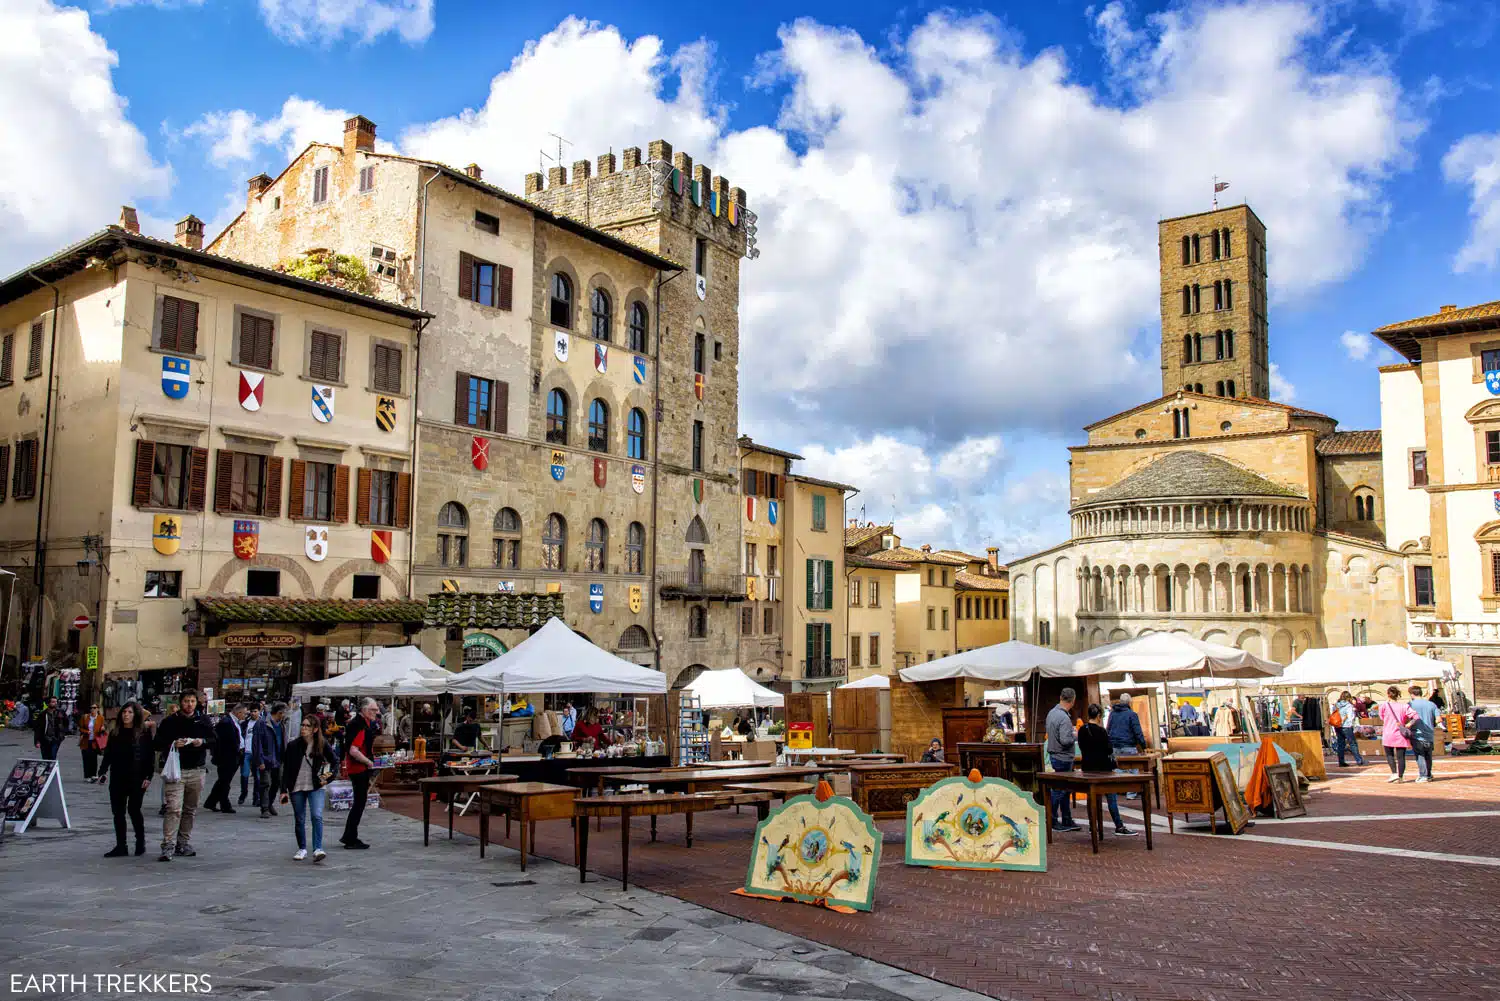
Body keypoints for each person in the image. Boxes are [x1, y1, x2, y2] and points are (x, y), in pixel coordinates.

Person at [154, 690, 214, 861]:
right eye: (186, 701)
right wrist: (173, 743)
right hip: (176, 770)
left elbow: (214, 739)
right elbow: (157, 743)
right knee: (173, 808)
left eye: (192, 701)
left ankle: (183, 842)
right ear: (181, 702)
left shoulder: (203, 720)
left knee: (190, 809)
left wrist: (201, 742)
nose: (189, 704)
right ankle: (168, 844)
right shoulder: (170, 721)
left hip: (197, 769)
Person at [279, 715, 339, 862]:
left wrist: (328, 779)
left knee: (317, 816)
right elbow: (285, 769)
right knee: (299, 818)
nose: (303, 728)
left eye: (307, 726)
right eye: (302, 725)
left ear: (315, 729)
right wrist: (283, 790)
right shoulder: (293, 746)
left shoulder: (322, 744)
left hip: (316, 785)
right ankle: (302, 848)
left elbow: (335, 761)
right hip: (297, 786)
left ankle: (318, 848)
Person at [98, 701, 154, 857]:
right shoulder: (116, 733)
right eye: (124, 712)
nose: (126, 715)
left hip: (137, 777)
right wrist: (102, 772)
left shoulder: (143, 733)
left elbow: (149, 757)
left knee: (134, 810)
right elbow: (108, 754)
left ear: (135, 714)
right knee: (118, 812)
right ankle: (121, 845)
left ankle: (140, 842)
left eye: (129, 712)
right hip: (118, 777)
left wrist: (148, 776)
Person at [1077, 704, 1138, 837]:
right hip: (1104, 769)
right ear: (1099, 716)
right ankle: (1119, 825)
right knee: (1111, 797)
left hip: (1088, 768)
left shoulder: (1082, 730)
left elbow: (1081, 747)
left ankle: (1093, 825)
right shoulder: (1102, 731)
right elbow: (1109, 750)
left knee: (1091, 798)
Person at [341, 698, 381, 850]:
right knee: (359, 803)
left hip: (357, 767)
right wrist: (369, 762)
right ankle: (350, 838)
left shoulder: (361, 723)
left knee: (359, 802)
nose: (376, 713)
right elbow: (354, 750)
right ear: (364, 710)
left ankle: (349, 836)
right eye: (373, 710)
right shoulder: (359, 725)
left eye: (376, 710)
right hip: (358, 768)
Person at [1045, 688, 1082, 833]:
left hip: (1055, 755)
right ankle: (1053, 819)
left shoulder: (1051, 713)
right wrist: (1075, 735)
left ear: (1061, 697)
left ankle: (1066, 818)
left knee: (1064, 790)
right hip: (1063, 756)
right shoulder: (1064, 718)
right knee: (1060, 790)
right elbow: (1065, 740)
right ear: (1072, 701)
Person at [204, 703, 249, 813]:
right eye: (244, 713)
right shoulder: (226, 722)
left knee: (224, 781)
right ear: (238, 713)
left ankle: (212, 802)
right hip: (227, 757)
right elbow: (222, 742)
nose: (245, 716)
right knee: (224, 781)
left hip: (234, 756)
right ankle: (224, 804)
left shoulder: (234, 722)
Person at [1106, 693, 1146, 798]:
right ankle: (1131, 793)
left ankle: (1119, 791)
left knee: (1118, 769)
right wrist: (1143, 745)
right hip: (1128, 745)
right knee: (1133, 769)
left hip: (1115, 745)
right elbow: (1138, 732)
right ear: (1129, 703)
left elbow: (1108, 729)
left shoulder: (1112, 714)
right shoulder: (1132, 714)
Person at [253, 703, 287, 818]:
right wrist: (260, 760)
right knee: (265, 783)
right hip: (266, 758)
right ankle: (264, 808)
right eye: (284, 713)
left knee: (276, 783)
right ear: (279, 713)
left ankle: (270, 803)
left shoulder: (281, 725)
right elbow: (257, 743)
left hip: (278, 759)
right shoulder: (262, 723)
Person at [1377, 685, 1415, 784]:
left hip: (1388, 732)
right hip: (1400, 733)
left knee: (1389, 755)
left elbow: (1381, 717)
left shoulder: (1384, 705)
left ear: (1388, 694)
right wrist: (1408, 724)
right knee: (1401, 756)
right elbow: (1415, 716)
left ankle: (1394, 773)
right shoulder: (1404, 706)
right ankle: (1400, 776)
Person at [1407, 685, 1439, 783]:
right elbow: (1439, 719)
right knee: (1428, 755)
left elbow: (1406, 718)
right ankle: (1428, 774)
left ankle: (1423, 775)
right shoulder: (1431, 704)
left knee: (1420, 755)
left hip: (1417, 733)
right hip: (1429, 733)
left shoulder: (1410, 704)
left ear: (1412, 694)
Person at [1331, 690, 1366, 767]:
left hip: (1338, 726)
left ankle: (1341, 762)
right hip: (1346, 726)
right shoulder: (1349, 705)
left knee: (1341, 744)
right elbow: (1350, 717)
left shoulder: (1336, 705)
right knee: (1353, 743)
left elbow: (1333, 714)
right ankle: (1359, 760)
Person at [32, 696, 68, 761]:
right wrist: (37, 741)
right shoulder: (42, 714)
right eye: (53, 702)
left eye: (56, 702)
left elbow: (66, 723)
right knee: (45, 758)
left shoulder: (60, 712)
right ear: (48, 703)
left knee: (52, 757)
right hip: (44, 739)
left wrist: (63, 734)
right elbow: (37, 729)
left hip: (55, 738)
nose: (55, 703)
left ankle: (52, 769)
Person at [79, 703, 107, 783]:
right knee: (86, 758)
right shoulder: (85, 717)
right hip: (86, 741)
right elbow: (80, 728)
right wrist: (86, 731)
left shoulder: (101, 718)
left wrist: (103, 729)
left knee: (94, 758)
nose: (93, 709)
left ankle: (93, 775)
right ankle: (87, 775)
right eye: (91, 708)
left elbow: (103, 727)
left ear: (98, 709)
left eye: (94, 708)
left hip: (95, 741)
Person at [238, 706, 260, 806]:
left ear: (259, 712)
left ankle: (256, 797)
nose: (253, 713)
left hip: (257, 754)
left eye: (255, 711)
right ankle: (243, 793)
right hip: (246, 752)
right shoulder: (245, 723)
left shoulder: (262, 724)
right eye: (251, 711)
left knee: (258, 777)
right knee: (244, 775)